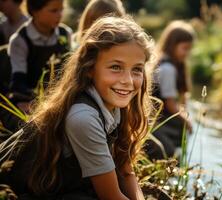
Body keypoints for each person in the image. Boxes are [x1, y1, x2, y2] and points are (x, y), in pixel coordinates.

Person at [0, 16, 154, 199]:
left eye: (136, 69)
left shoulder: (114, 103)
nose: (128, 81)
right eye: (115, 67)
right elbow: (111, 197)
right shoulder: (82, 117)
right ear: (89, 68)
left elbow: (127, 172)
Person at [8, 0, 71, 111]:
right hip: (30, 102)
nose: (60, 15)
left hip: (61, 99)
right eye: (54, 11)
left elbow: (70, 72)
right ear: (35, 11)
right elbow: (18, 82)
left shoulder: (65, 33)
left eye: (61, 9)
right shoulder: (20, 40)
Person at [145, 20, 195, 160]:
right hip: (154, 119)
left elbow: (182, 98)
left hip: (160, 117)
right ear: (173, 45)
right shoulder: (168, 69)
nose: (187, 53)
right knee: (169, 149)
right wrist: (187, 121)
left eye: (189, 49)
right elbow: (170, 104)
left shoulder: (173, 64)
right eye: (185, 48)